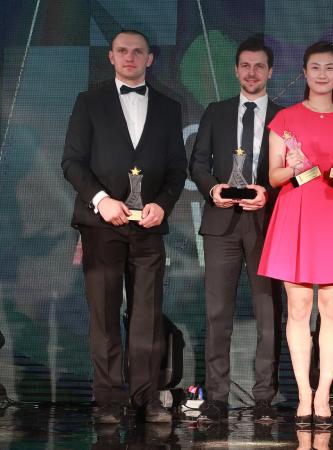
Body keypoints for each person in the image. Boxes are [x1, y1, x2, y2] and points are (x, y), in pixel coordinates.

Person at [61, 29, 187, 424]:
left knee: (147, 315)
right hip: (102, 226)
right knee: (104, 314)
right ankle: (109, 401)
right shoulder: (89, 101)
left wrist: (162, 206)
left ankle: (146, 398)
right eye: (122, 51)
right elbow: (72, 162)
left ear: (150, 59)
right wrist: (102, 201)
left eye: (138, 51)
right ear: (111, 58)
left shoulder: (169, 107)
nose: (130, 57)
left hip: (149, 227)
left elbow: (176, 170)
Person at [257, 41, 333, 429]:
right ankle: (303, 393)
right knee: (299, 310)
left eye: (329, 68)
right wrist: (295, 165)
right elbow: (272, 177)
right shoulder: (284, 119)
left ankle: (324, 393)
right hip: (296, 215)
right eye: (315, 68)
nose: (322, 74)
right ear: (304, 74)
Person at [189, 36, 283, 423]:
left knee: (268, 314)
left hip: (266, 223)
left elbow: (290, 172)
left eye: (259, 66)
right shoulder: (216, 111)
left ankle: (265, 398)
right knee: (217, 314)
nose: (251, 72)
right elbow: (197, 162)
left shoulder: (284, 117)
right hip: (221, 222)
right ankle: (216, 396)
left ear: (270, 71)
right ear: (236, 70)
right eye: (245, 65)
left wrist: (269, 192)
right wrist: (213, 189)